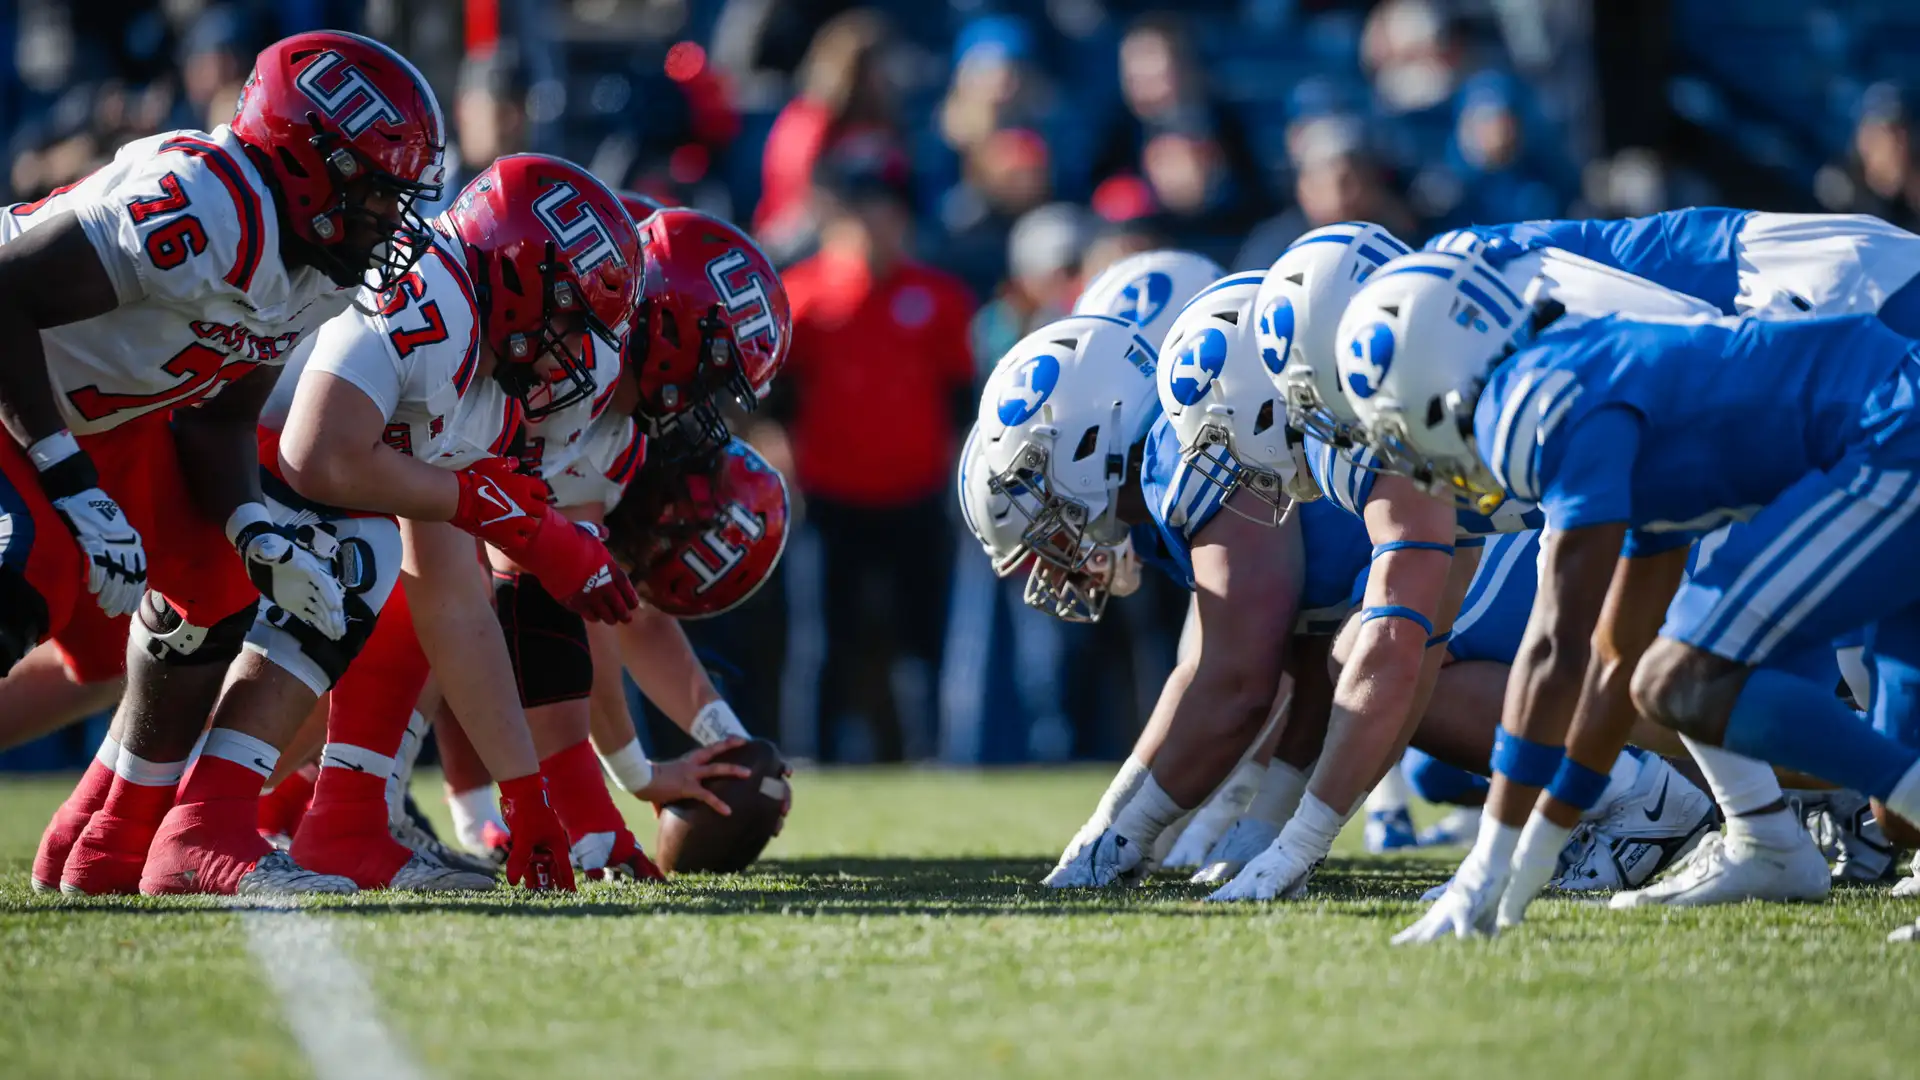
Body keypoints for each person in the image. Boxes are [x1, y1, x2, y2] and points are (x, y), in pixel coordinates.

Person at [1330, 249, 1920, 943]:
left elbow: (1557, 649)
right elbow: (1611, 663)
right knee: (1896, 814)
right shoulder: (1588, 379)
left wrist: (1488, 862)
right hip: (1878, 419)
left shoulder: (1536, 398)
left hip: (1889, 425)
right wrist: (1535, 850)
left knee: (1685, 679)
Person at [137, 152, 645, 896]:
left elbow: (451, 601)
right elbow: (314, 455)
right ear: (515, 274)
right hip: (190, 461)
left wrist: (526, 796)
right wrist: (481, 504)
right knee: (361, 555)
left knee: (399, 570)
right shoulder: (433, 297)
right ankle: (205, 819)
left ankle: (326, 819)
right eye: (569, 316)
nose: (574, 351)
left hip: (233, 471)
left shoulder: (484, 356)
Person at [16, 30, 445, 896]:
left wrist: (253, 530)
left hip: (114, 426)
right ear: (305, 164)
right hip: (20, 410)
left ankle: (116, 843)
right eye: (376, 194)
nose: (391, 221)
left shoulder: (317, 263)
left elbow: (220, 421)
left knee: (232, 575)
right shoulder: (204, 203)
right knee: (12, 586)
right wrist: (67, 479)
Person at [1201, 228, 1722, 903]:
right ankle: (1785, 801)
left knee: (1645, 668)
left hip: (1770, 428)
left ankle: (1825, 791)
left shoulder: (1492, 346)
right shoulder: (1456, 324)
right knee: (1635, 673)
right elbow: (1418, 633)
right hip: (1710, 448)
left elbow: (1404, 643)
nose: (1342, 424)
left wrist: (1299, 842)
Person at [966, 279, 1372, 889]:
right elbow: (1307, 653)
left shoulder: (1189, 451)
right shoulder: (1161, 488)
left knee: (1401, 684)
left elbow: (1238, 687)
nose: (1055, 554)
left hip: (1483, 578)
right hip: (1451, 582)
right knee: (1355, 654)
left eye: (1046, 510)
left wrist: (1131, 834)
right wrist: (1259, 824)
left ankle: (1568, 806)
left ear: (1084, 441)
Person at [772, 152, 975, 762]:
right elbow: (775, 401)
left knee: (924, 640)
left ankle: (931, 756)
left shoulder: (939, 298)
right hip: (832, 493)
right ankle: (812, 757)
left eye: (886, 215)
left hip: (916, 492)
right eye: (862, 215)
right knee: (823, 640)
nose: (874, 229)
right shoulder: (804, 296)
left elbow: (960, 400)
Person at [753, 9, 900, 252]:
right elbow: (799, 196)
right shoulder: (809, 120)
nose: (887, 76)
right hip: (799, 232)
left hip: (864, 233)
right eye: (879, 65)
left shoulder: (883, 122)